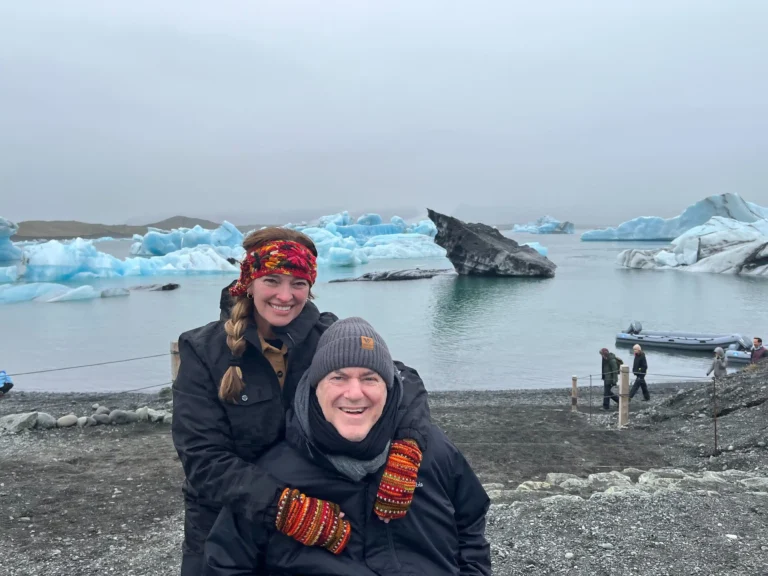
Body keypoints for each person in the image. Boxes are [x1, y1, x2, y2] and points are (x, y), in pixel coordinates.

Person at [171, 228, 432, 576]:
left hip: (322, 513)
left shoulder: (327, 337)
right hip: (223, 520)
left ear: (310, 287)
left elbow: (401, 381)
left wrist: (407, 448)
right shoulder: (203, 351)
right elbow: (203, 458)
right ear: (249, 282)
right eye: (272, 280)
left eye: (298, 283)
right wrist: (284, 507)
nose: (285, 295)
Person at [204, 317, 491, 576]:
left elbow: (471, 523)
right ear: (316, 387)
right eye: (338, 377)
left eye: (370, 378)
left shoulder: (432, 452)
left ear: (389, 389)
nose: (354, 394)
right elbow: (226, 564)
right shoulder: (274, 476)